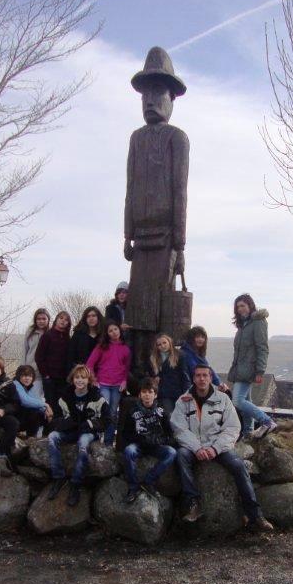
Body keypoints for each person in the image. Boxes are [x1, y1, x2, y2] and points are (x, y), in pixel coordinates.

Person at [123, 47, 190, 374]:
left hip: (165, 238)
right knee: (138, 309)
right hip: (140, 240)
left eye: (158, 92)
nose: (150, 100)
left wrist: (179, 243)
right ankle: (138, 373)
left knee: (161, 307)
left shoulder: (177, 138)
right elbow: (130, 188)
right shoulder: (136, 138)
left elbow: (180, 192)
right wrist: (127, 234)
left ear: (171, 99)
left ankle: (157, 373)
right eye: (145, 94)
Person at [170, 365, 273, 530]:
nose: (202, 379)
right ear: (193, 378)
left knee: (238, 466)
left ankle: (255, 516)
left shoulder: (223, 399)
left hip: (217, 446)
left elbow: (232, 428)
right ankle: (193, 504)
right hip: (193, 447)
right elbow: (179, 429)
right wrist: (197, 448)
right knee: (181, 456)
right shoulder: (183, 401)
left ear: (210, 378)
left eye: (205, 375)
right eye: (198, 376)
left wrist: (215, 449)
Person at [47, 365, 110, 507]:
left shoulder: (97, 397)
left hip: (88, 432)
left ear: (89, 380)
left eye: (83, 378)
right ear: (72, 379)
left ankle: (75, 484)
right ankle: (58, 477)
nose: (80, 380)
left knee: (83, 445)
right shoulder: (65, 396)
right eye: (77, 377)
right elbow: (55, 418)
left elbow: (108, 419)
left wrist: (90, 423)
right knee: (52, 437)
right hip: (70, 431)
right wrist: (66, 423)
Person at [227, 294, 277, 439]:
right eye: (238, 307)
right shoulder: (243, 325)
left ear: (250, 305)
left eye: (243, 305)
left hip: (248, 370)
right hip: (239, 370)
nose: (240, 309)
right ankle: (248, 433)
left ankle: (267, 422)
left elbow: (262, 348)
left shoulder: (258, 322)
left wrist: (260, 371)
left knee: (238, 400)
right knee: (246, 401)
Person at [121, 377, 177, 503]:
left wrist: (159, 440)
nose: (147, 395)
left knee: (171, 452)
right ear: (140, 394)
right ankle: (133, 487)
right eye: (144, 392)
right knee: (129, 451)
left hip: (156, 445)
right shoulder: (132, 411)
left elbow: (170, 435)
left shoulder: (162, 412)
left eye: (150, 392)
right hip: (139, 445)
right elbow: (125, 434)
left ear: (155, 395)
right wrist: (140, 439)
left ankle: (149, 481)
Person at [86, 320, 132, 446]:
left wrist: (125, 381)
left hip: (117, 385)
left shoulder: (125, 348)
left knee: (112, 412)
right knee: (103, 411)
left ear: (119, 330)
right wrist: (93, 379)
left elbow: (127, 368)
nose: (114, 332)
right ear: (107, 333)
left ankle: (108, 442)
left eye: (115, 329)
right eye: (110, 331)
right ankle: (96, 438)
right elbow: (89, 364)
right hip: (103, 383)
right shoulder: (101, 346)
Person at [35, 310, 71, 418]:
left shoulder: (67, 338)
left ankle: (58, 429)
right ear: (56, 320)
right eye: (61, 318)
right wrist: (45, 374)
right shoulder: (48, 335)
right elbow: (39, 357)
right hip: (49, 377)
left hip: (63, 378)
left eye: (66, 320)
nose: (63, 321)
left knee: (61, 404)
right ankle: (48, 430)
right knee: (50, 404)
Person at [148, 333, 191, 414]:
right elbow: (151, 373)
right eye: (159, 344)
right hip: (163, 393)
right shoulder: (153, 358)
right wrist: (155, 377)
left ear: (169, 342)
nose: (162, 346)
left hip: (178, 390)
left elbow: (184, 374)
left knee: (181, 415)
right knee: (168, 415)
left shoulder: (179, 355)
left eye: (164, 343)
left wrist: (187, 392)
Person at [180, 325, 228, 391]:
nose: (200, 339)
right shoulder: (185, 353)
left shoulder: (198, 353)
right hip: (187, 389)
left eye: (202, 337)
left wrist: (219, 383)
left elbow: (208, 368)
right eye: (197, 337)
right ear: (191, 339)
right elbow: (195, 370)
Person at [13, 365, 53, 438]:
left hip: (20, 417)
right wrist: (46, 405)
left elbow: (35, 401)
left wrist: (46, 411)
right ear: (19, 376)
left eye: (30, 376)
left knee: (43, 413)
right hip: (13, 419)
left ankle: (43, 436)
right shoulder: (15, 384)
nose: (27, 378)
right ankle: (31, 437)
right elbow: (25, 401)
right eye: (24, 376)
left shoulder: (27, 387)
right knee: (34, 412)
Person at [20, 308, 50, 399]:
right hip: (30, 368)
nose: (41, 321)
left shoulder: (51, 333)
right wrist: (22, 367)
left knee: (40, 397)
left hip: (44, 370)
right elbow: (25, 349)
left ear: (48, 320)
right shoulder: (30, 331)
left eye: (44, 319)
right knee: (29, 395)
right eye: (39, 319)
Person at [67, 306, 104, 373]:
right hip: (82, 374)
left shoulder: (104, 334)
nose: (91, 318)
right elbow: (70, 355)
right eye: (88, 316)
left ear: (98, 317)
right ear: (85, 319)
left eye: (93, 316)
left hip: (101, 373)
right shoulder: (78, 334)